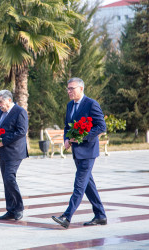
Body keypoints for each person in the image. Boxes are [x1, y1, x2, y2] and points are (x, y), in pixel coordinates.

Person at [51, 77, 107, 229]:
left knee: (79, 184)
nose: (69, 91)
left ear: (81, 89)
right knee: (88, 185)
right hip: (77, 151)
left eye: (72, 88)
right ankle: (101, 215)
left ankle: (66, 217)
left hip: (88, 151)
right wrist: (67, 139)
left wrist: (83, 136)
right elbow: (66, 126)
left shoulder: (91, 104)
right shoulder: (70, 105)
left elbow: (101, 126)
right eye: (68, 89)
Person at [0, 90, 28, 221]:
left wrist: (3, 141)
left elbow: (21, 131)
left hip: (15, 151)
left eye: (0, 102)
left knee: (9, 178)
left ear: (9, 100)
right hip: (2, 152)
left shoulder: (20, 112)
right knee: (6, 181)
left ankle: (19, 208)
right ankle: (10, 210)